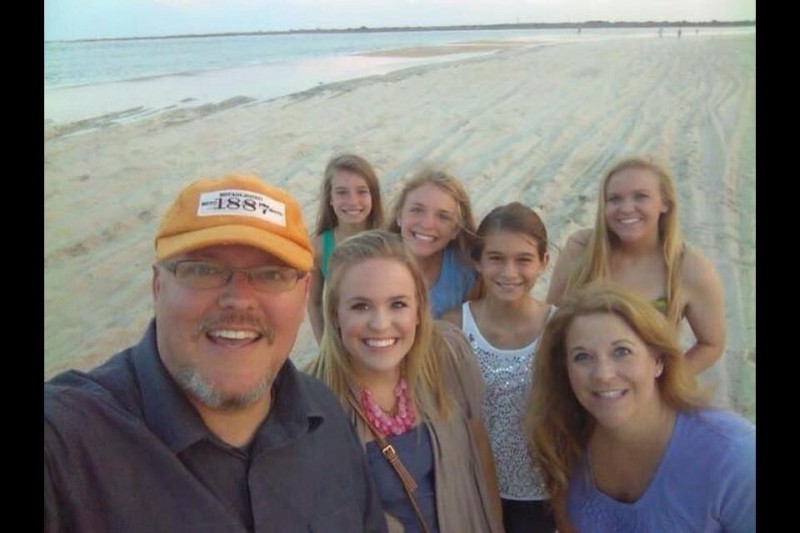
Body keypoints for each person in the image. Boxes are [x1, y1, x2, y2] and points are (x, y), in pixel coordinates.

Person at [44, 173, 387, 532]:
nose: (239, 299)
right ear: (158, 286)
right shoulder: (69, 447)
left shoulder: (325, 415)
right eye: (203, 270)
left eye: (271, 275)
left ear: (304, 294)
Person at [305, 229, 504, 533]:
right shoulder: (310, 404)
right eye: (360, 306)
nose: (380, 324)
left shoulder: (448, 355)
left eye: (397, 304)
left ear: (419, 309)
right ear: (335, 314)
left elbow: (480, 450)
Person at [525, 283, 755, 533]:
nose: (603, 375)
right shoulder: (565, 434)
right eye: (582, 356)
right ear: (565, 370)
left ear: (658, 361)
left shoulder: (734, 456)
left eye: (622, 351)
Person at [546, 155, 725, 377]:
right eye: (614, 199)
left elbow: (711, 344)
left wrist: (664, 384)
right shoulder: (581, 250)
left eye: (641, 197)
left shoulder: (689, 268)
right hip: (582, 386)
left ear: (665, 204)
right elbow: (551, 324)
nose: (626, 208)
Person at [441, 202, 556, 533]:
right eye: (496, 258)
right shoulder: (454, 327)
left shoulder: (559, 327)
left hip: (544, 494)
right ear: (477, 261)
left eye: (524, 259)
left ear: (543, 262)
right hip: (472, 489)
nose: (509, 272)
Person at [308, 153, 385, 343]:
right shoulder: (319, 247)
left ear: (373, 196)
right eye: (342, 192)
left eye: (362, 191)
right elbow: (314, 303)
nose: (353, 201)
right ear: (330, 198)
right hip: (344, 342)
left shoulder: (389, 240)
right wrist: (324, 346)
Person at [387, 168, 478, 319]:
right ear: (399, 215)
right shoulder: (373, 266)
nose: (427, 224)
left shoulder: (465, 272)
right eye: (417, 210)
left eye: (443, 217)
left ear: (456, 229)